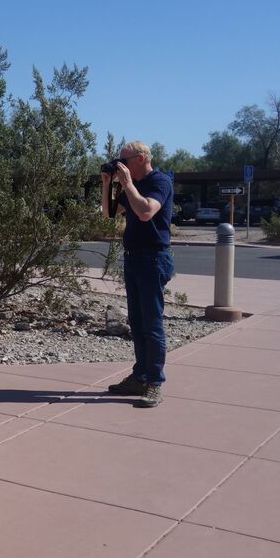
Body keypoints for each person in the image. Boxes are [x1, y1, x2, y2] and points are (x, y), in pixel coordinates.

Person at [101, 141, 175, 408]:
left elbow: (145, 212)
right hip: (133, 259)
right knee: (138, 322)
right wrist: (109, 183)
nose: (121, 164)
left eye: (125, 160)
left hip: (153, 259)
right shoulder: (131, 185)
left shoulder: (160, 181)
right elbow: (109, 213)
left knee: (152, 324)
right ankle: (140, 376)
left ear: (141, 158)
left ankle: (154, 383)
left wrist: (128, 184)